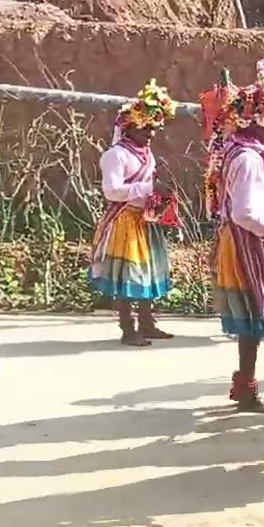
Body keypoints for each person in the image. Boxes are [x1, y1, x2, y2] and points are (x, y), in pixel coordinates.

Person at [207, 60, 264, 413]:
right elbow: (246, 213)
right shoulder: (247, 158)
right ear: (256, 120)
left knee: (251, 320)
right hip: (248, 241)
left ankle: (245, 384)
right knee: (252, 317)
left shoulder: (243, 150)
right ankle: (246, 388)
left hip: (242, 239)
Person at [88, 80, 179, 346]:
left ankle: (147, 323)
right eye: (145, 127)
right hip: (125, 221)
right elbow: (112, 192)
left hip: (145, 220)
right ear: (129, 127)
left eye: (154, 127)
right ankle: (128, 328)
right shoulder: (115, 156)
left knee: (148, 272)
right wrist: (149, 188)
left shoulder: (146, 154)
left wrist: (160, 197)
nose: (151, 133)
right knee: (129, 276)